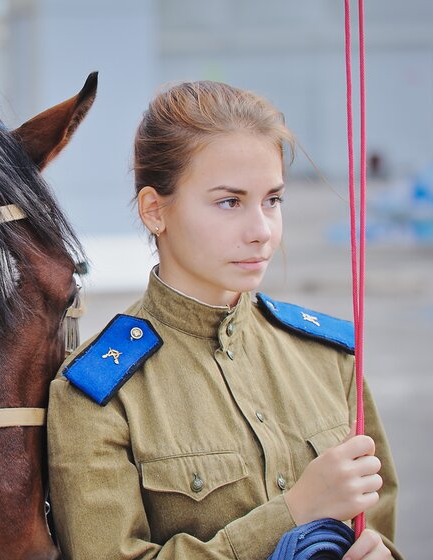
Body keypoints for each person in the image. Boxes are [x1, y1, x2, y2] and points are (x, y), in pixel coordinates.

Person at [47, 81, 402, 559]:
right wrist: (293, 512)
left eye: (272, 200)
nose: (261, 232)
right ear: (155, 210)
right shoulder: (98, 392)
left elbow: (380, 526)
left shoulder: (328, 358)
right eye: (230, 202)